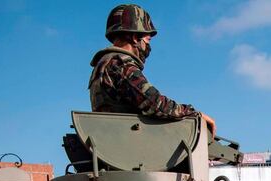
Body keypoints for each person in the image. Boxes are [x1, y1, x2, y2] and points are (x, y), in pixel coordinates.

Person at [89, 4, 216, 135]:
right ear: (134, 38)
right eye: (148, 39)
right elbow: (156, 104)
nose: (148, 45)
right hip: (129, 140)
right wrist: (194, 114)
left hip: (116, 136)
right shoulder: (121, 65)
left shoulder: (104, 64)